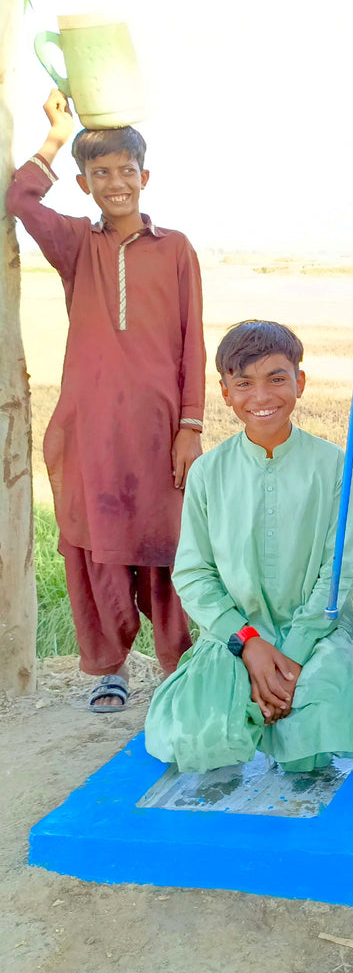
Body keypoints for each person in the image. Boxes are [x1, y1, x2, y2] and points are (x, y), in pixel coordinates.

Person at [6, 90, 205, 712]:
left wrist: (190, 426)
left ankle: (179, 666)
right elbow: (18, 198)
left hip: (158, 427)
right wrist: (57, 135)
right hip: (89, 426)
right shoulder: (76, 245)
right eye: (101, 174)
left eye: (125, 171)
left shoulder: (175, 248)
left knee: (167, 544)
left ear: (145, 177)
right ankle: (109, 670)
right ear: (86, 184)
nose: (115, 183)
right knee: (97, 544)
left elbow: (191, 340)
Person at [144, 321, 353, 773]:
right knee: (197, 732)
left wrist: (291, 658)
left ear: (300, 381)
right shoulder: (208, 473)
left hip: (315, 636)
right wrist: (251, 645)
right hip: (235, 636)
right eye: (244, 383)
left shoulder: (333, 468)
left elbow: (336, 576)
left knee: (322, 723)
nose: (261, 397)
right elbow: (193, 574)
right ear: (224, 392)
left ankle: (295, 708)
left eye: (276, 378)